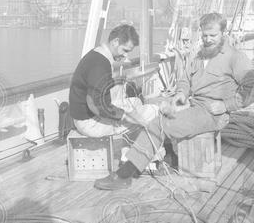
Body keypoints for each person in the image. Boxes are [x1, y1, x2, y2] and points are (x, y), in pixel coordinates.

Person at [95, 12, 254, 190]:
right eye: (204, 35)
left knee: (159, 125)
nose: (208, 40)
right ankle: (169, 158)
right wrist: (181, 93)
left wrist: (226, 105)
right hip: (194, 106)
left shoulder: (235, 58)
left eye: (213, 36)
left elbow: (251, 88)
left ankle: (125, 174)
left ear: (223, 33)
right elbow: (185, 79)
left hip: (213, 113)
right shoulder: (200, 55)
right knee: (158, 112)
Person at [69, 24, 144, 138]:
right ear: (115, 41)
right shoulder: (100, 64)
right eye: (124, 50)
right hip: (89, 123)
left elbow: (98, 86)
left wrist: (116, 81)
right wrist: (125, 116)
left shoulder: (97, 54)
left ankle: (127, 147)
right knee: (145, 116)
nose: (125, 55)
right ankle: (127, 154)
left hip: (87, 115)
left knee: (136, 103)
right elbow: (95, 105)